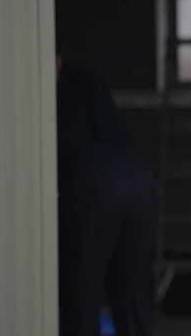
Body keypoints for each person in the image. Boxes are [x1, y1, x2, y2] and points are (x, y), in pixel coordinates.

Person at [56, 55, 160, 336]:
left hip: (93, 186)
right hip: (140, 182)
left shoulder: (49, 95)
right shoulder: (91, 83)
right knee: (132, 293)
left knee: (82, 291)